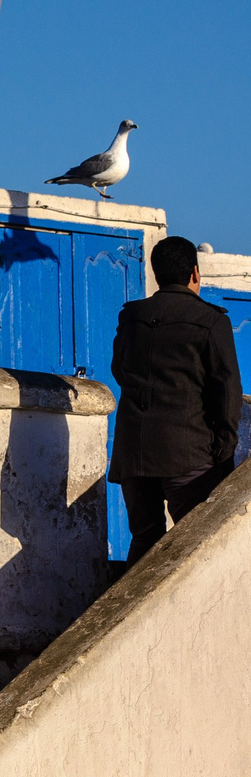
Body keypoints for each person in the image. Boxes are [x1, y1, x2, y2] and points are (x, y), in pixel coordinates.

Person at [108, 236, 240, 564]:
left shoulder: (132, 317)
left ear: (156, 275)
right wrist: (224, 445)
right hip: (189, 456)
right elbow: (226, 389)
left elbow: (120, 370)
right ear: (195, 274)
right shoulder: (211, 321)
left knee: (144, 539)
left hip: (134, 454)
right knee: (198, 544)